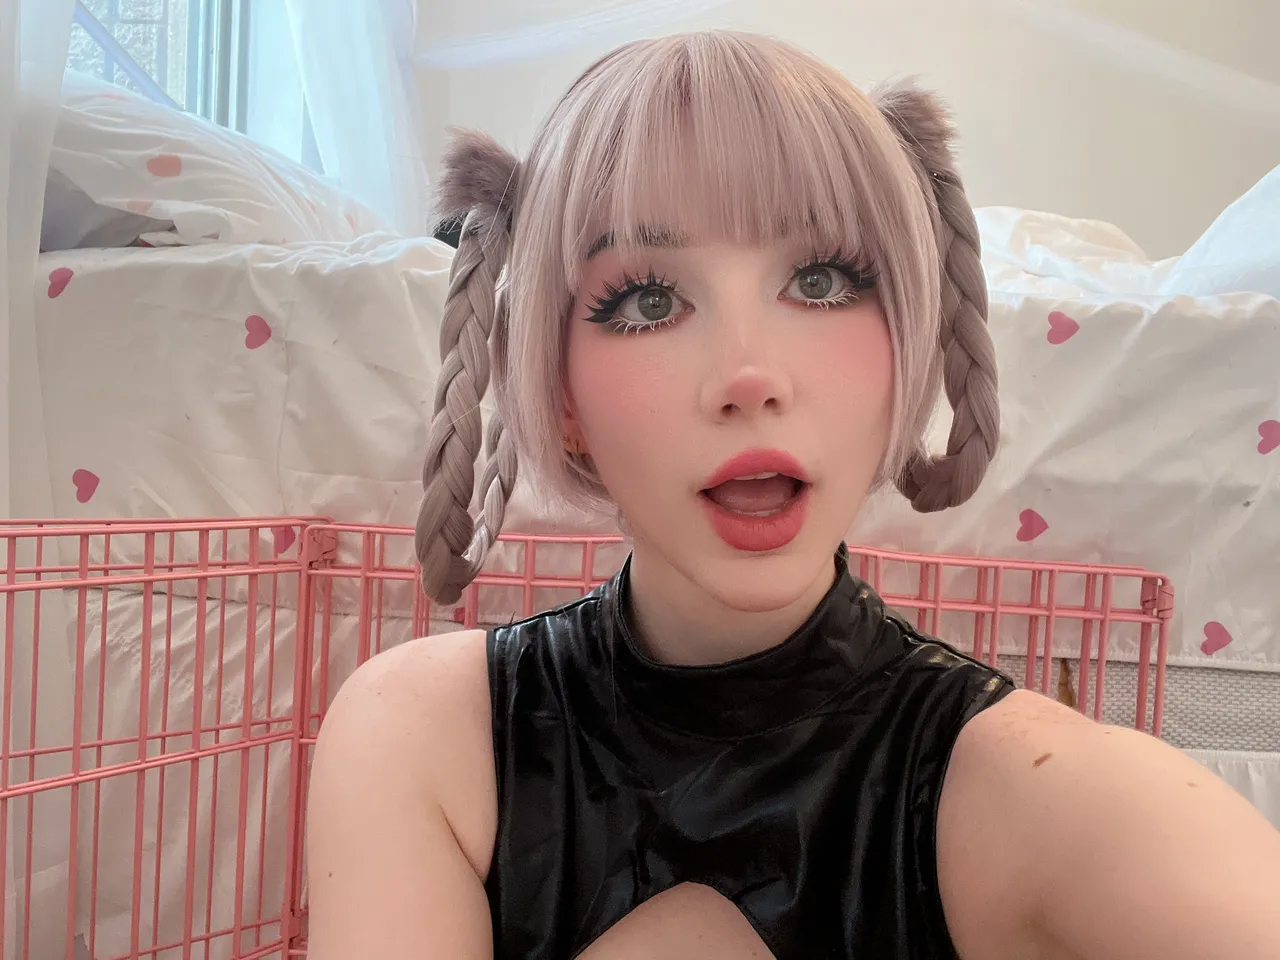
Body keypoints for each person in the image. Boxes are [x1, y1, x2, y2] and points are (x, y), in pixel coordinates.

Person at [304, 30, 1280, 960]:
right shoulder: (428, 735)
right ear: (561, 397)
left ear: (907, 346)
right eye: (648, 300)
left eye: (819, 281)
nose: (749, 375)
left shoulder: (1032, 792)